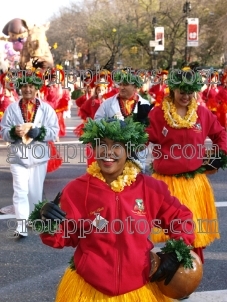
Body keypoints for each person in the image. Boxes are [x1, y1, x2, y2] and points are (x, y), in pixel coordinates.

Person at [33, 117, 195, 302]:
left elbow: (182, 218)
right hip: (88, 289)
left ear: (129, 150)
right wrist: (46, 223)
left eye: (117, 145)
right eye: (101, 144)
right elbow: (64, 237)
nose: (108, 152)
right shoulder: (76, 190)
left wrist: (176, 251)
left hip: (138, 287)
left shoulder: (151, 188)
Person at [146, 68, 227, 263]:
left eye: (190, 91)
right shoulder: (158, 114)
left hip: (194, 184)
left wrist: (219, 155)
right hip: (166, 184)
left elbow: (221, 135)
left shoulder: (202, 113)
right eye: (182, 91)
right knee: (172, 230)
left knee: (194, 233)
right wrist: (136, 125)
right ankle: (171, 274)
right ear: (172, 90)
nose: (186, 96)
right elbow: (141, 140)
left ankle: (190, 273)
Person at [0, 73, 59, 237]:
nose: (27, 89)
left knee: (34, 192)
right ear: (20, 88)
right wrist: (13, 132)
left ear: (36, 88)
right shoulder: (12, 108)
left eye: (31, 86)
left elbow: (54, 131)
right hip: (18, 157)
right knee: (19, 191)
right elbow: (3, 131)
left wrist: (39, 132)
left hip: (39, 159)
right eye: (24, 86)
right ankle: (21, 226)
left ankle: (34, 218)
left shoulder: (46, 109)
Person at [94, 70, 153, 172]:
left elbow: (151, 129)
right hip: (114, 152)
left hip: (137, 152)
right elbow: (97, 123)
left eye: (125, 84)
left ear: (135, 87)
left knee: (136, 179)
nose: (121, 87)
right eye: (120, 84)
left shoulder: (145, 105)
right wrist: (110, 126)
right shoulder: (107, 104)